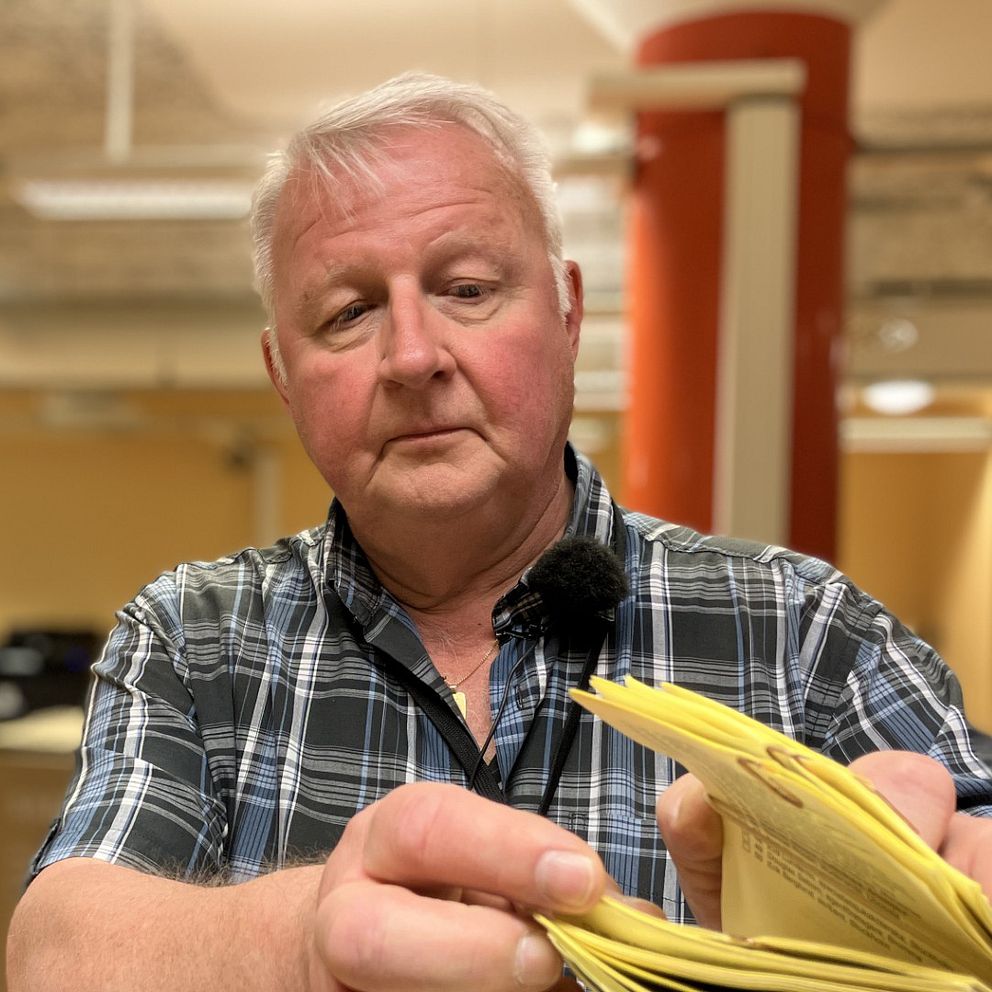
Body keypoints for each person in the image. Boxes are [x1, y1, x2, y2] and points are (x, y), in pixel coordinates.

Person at [6, 71, 992, 991]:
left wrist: (925, 909)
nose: (412, 355)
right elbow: (57, 952)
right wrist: (302, 943)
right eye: (348, 313)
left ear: (567, 314)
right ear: (282, 376)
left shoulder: (804, 632)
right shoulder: (193, 636)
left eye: (468, 289)